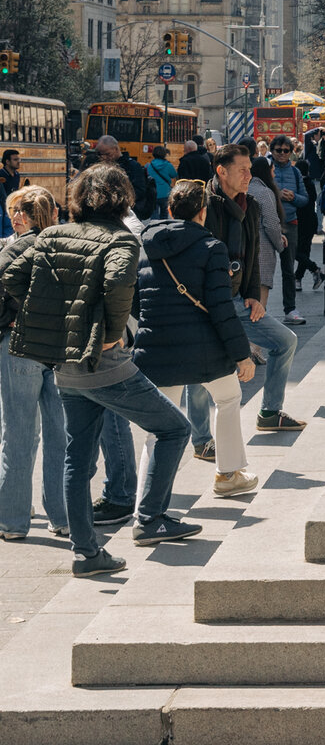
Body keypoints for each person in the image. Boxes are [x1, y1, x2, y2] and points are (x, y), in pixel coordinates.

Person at [0, 164, 199, 577]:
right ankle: (150, 519)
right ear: (123, 197)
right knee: (175, 428)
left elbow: (11, 276)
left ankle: (87, 553)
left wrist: (46, 319)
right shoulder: (120, 239)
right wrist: (109, 333)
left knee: (77, 453)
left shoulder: (52, 234)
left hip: (65, 365)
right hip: (103, 363)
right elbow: (118, 284)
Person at [133, 180, 259, 502]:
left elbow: (135, 301)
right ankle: (228, 474)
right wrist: (242, 355)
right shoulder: (211, 249)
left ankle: (146, 500)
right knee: (229, 398)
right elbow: (220, 309)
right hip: (205, 350)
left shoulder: (146, 245)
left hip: (157, 350)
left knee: (159, 429)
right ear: (202, 213)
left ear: (170, 210)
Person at [188, 141, 303, 448]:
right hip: (206, 303)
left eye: (250, 169)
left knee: (285, 341)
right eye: (242, 170)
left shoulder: (249, 203)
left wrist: (253, 294)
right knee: (202, 367)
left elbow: (252, 253)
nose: (249, 175)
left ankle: (269, 411)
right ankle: (201, 439)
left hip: (238, 299)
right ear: (221, 171)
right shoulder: (203, 204)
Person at [0, 185, 66, 542]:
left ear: (22, 216)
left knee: (18, 433)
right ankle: (63, 515)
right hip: (59, 348)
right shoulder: (67, 245)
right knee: (61, 435)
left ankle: (12, 521)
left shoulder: (8, 249)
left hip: (18, 345)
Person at [265, 135, 312, 322]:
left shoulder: (295, 173)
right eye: (278, 150)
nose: (282, 154)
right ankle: (262, 307)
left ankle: (290, 309)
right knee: (263, 268)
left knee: (288, 269)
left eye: (286, 150)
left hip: (290, 223)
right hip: (268, 223)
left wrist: (293, 198)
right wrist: (278, 194)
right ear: (272, 151)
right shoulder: (265, 170)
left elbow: (305, 199)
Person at [246, 154, 286, 315]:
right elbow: (271, 223)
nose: (274, 175)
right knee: (260, 302)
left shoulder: (244, 188)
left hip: (244, 249)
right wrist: (279, 244)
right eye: (273, 171)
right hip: (262, 249)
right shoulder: (265, 192)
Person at [145, 144, 176, 217]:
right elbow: (174, 175)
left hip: (153, 193)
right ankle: (164, 227)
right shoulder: (168, 165)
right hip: (165, 193)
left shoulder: (149, 165)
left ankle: (154, 227)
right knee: (164, 213)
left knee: (154, 213)